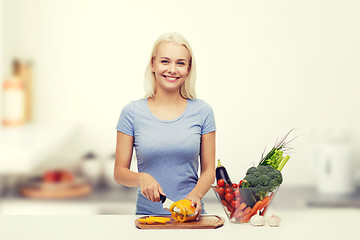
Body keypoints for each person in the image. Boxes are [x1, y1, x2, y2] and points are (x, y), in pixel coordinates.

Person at [114, 32, 216, 219]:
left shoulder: (203, 111)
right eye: (165, 61)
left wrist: (196, 195)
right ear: (153, 64)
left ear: (188, 69)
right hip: (148, 218)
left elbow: (209, 171)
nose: (172, 69)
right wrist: (141, 177)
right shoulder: (132, 112)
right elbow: (119, 173)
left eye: (180, 63)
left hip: (193, 216)